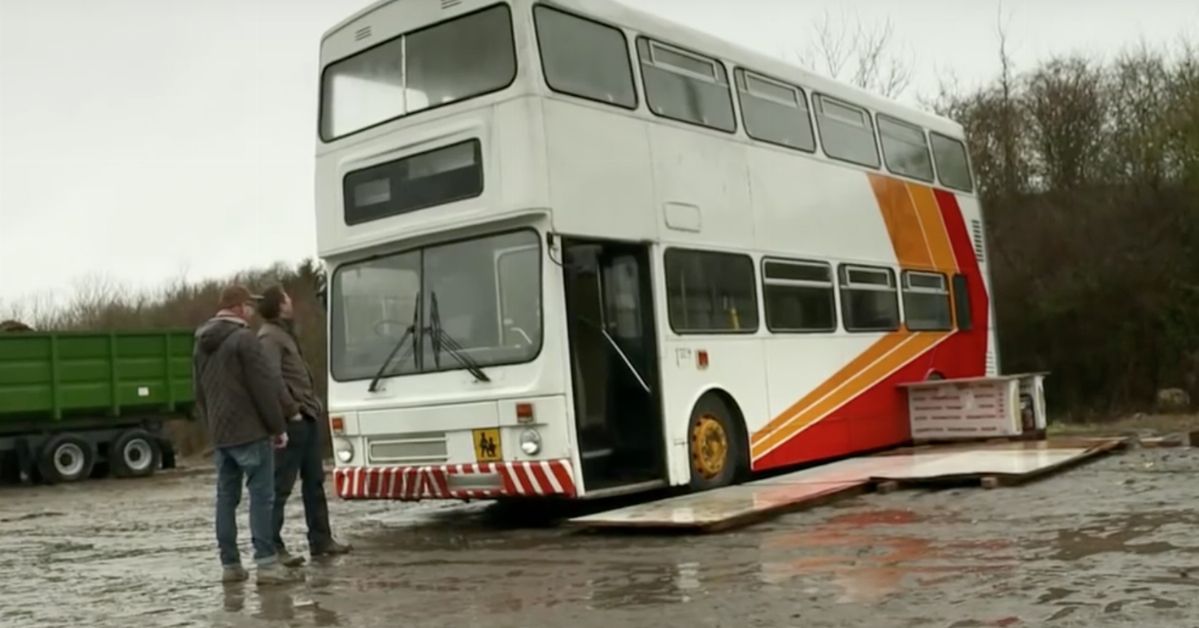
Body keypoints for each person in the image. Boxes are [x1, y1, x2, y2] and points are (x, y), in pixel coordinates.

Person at [193, 285, 304, 585]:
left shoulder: (200, 342)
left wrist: (212, 427)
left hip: (221, 436)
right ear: (240, 308)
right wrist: (278, 428)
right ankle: (266, 565)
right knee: (261, 498)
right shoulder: (245, 340)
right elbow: (263, 388)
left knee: (226, 500)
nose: (253, 312)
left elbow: (200, 393)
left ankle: (230, 565)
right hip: (251, 433)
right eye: (250, 306)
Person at [257, 285, 351, 566]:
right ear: (278, 305)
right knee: (280, 485)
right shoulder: (269, 338)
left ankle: (321, 540)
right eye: (286, 298)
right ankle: (273, 546)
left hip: (307, 416)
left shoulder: (285, 333)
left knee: (315, 482)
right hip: (293, 421)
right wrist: (292, 410)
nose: (291, 301)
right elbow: (271, 378)